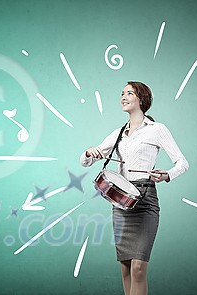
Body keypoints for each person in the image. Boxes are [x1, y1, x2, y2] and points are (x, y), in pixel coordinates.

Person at [79, 81, 189, 295]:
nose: (123, 97)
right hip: (121, 202)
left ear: (142, 98)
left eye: (129, 93)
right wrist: (89, 152)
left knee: (139, 268)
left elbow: (183, 163)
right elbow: (85, 161)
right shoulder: (119, 132)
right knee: (126, 267)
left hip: (145, 199)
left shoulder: (157, 129)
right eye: (122, 93)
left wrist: (167, 174)